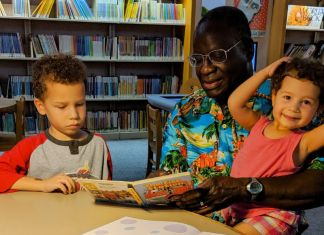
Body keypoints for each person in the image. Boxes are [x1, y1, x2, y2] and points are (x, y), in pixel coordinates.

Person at [149, 6, 324, 235]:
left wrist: (246, 189)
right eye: (198, 59)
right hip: (195, 227)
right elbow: (171, 174)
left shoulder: (289, 108)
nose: (205, 69)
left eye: (218, 55)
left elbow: (319, 184)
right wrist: (158, 184)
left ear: (247, 50)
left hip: (266, 222)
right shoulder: (183, 111)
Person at [226, 57, 324, 234]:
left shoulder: (304, 142)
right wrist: (265, 72)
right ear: (273, 97)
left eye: (306, 102)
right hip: (238, 209)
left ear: (318, 109)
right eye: (287, 97)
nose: (294, 107)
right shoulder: (258, 125)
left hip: (274, 215)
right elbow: (235, 103)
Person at [0, 54, 113, 194]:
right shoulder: (30, 147)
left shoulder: (99, 144)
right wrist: (42, 184)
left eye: (79, 104)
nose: (74, 115)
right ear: (41, 106)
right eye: (62, 107)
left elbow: (108, 189)